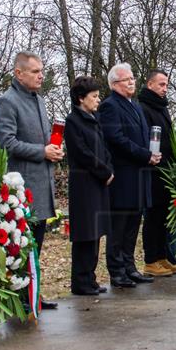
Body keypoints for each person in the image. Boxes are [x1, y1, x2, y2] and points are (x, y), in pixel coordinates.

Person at [0, 51, 61, 310]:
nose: (41, 75)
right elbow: (7, 143)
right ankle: (20, 295)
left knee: (36, 244)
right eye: (34, 71)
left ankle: (32, 293)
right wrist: (41, 151)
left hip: (42, 185)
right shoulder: (7, 102)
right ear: (18, 73)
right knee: (21, 246)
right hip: (22, 188)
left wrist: (52, 150)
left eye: (41, 70)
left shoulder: (39, 101)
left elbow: (42, 140)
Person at [98, 63, 161, 288]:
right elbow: (116, 139)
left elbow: (143, 137)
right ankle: (117, 272)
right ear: (115, 84)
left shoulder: (134, 105)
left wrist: (152, 154)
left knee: (133, 224)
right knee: (119, 226)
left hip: (139, 176)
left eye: (133, 78)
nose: (132, 82)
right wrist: (145, 155)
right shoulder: (109, 106)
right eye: (126, 79)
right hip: (123, 178)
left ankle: (129, 267)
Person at [64, 76, 113, 295]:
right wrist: (103, 171)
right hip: (85, 183)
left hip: (99, 182)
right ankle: (80, 281)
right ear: (81, 98)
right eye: (94, 96)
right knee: (85, 233)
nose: (98, 100)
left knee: (96, 232)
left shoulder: (94, 118)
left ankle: (90, 278)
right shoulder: (73, 122)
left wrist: (109, 168)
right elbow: (82, 153)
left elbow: (103, 147)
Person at [138, 68, 176, 277]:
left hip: (167, 170)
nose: (165, 88)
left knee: (164, 216)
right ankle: (151, 260)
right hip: (154, 169)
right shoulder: (144, 107)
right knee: (153, 216)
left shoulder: (162, 107)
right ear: (150, 85)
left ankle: (163, 256)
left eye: (166, 84)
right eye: (161, 84)